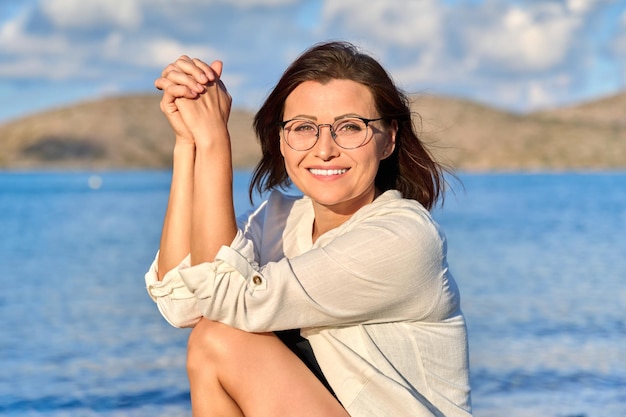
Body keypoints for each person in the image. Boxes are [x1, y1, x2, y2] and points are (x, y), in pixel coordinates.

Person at [145, 41, 472, 417]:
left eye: (350, 127)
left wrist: (215, 140)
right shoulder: (281, 220)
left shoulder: (403, 238)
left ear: (389, 139)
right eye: (304, 128)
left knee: (220, 337)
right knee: (214, 334)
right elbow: (182, 301)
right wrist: (189, 143)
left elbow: (226, 300)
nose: (324, 149)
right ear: (282, 140)